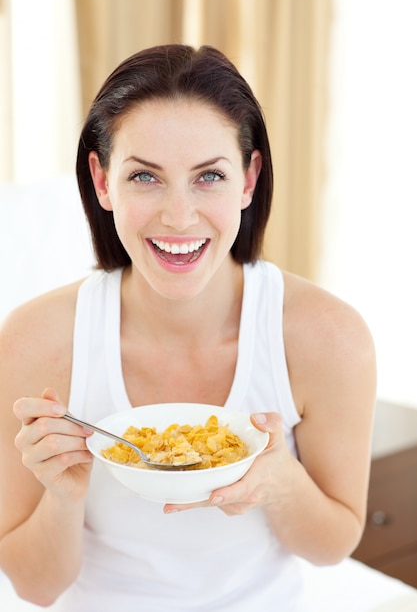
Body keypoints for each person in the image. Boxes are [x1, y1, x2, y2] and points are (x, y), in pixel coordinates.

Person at [0, 44, 376, 611]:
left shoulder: (329, 338)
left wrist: (279, 482)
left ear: (249, 179)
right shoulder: (35, 341)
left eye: (209, 176)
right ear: (102, 182)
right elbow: (36, 586)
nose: (179, 216)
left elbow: (332, 547)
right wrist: (61, 494)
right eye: (145, 177)